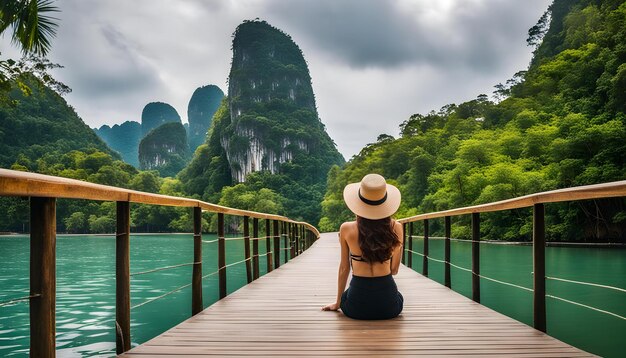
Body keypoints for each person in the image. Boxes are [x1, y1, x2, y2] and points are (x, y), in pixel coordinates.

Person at [321, 173, 404, 320]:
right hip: (389, 308)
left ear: (358, 202)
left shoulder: (346, 228)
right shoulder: (396, 228)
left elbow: (344, 268)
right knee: (398, 296)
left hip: (356, 307)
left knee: (348, 295)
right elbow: (394, 270)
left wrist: (338, 302)